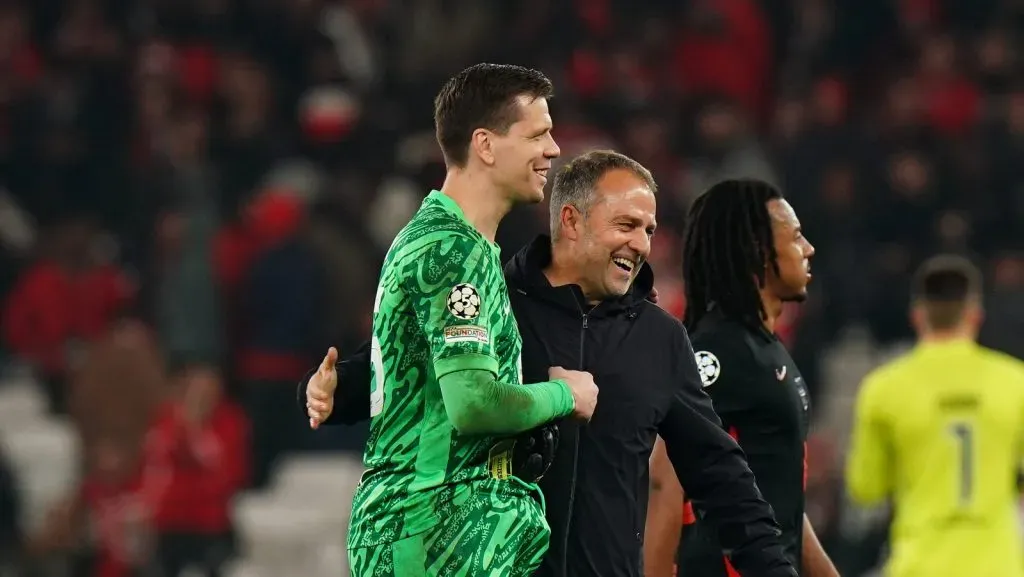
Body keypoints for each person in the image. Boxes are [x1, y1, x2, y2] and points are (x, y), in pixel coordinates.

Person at [304, 151, 799, 577]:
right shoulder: (498, 301)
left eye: (648, 229)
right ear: (570, 221)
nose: (642, 244)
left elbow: (719, 473)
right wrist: (340, 388)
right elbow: (411, 368)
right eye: (625, 225)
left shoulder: (660, 340)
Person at [315, 63, 600, 577]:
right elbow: (473, 404)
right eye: (538, 134)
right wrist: (566, 395)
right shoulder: (450, 251)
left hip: (448, 531)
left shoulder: (466, 247)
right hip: (431, 533)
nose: (554, 149)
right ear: (486, 146)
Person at [645, 178, 840, 577]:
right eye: (796, 237)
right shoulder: (715, 352)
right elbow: (667, 480)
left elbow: (785, 504)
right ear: (758, 251)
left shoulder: (767, 349)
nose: (809, 249)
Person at [845, 255, 1024, 577]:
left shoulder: (884, 388)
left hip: (919, 565)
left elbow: (865, 487)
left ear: (917, 316)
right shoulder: (1015, 382)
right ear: (974, 315)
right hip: (999, 566)